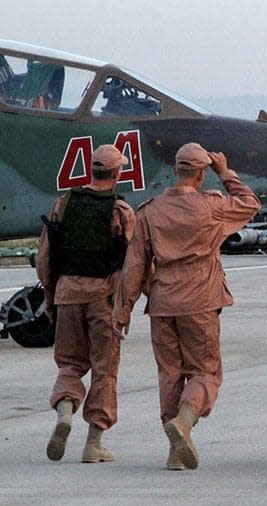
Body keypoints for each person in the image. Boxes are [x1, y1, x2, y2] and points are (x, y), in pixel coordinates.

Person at [112, 143, 260, 470]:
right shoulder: (212, 207)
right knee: (205, 372)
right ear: (202, 173)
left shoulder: (149, 211)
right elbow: (251, 204)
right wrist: (227, 174)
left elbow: (134, 267)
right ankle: (184, 422)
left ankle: (175, 452)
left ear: (174, 170)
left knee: (169, 373)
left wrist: (122, 312)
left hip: (163, 301)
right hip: (201, 299)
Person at [37, 144, 135, 463]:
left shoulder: (63, 204)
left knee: (69, 363)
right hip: (102, 296)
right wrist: (124, 306)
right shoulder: (121, 211)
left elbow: (46, 257)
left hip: (66, 292)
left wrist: (50, 296)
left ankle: (65, 411)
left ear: (91, 170)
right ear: (117, 173)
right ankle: (94, 443)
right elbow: (129, 264)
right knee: (104, 369)